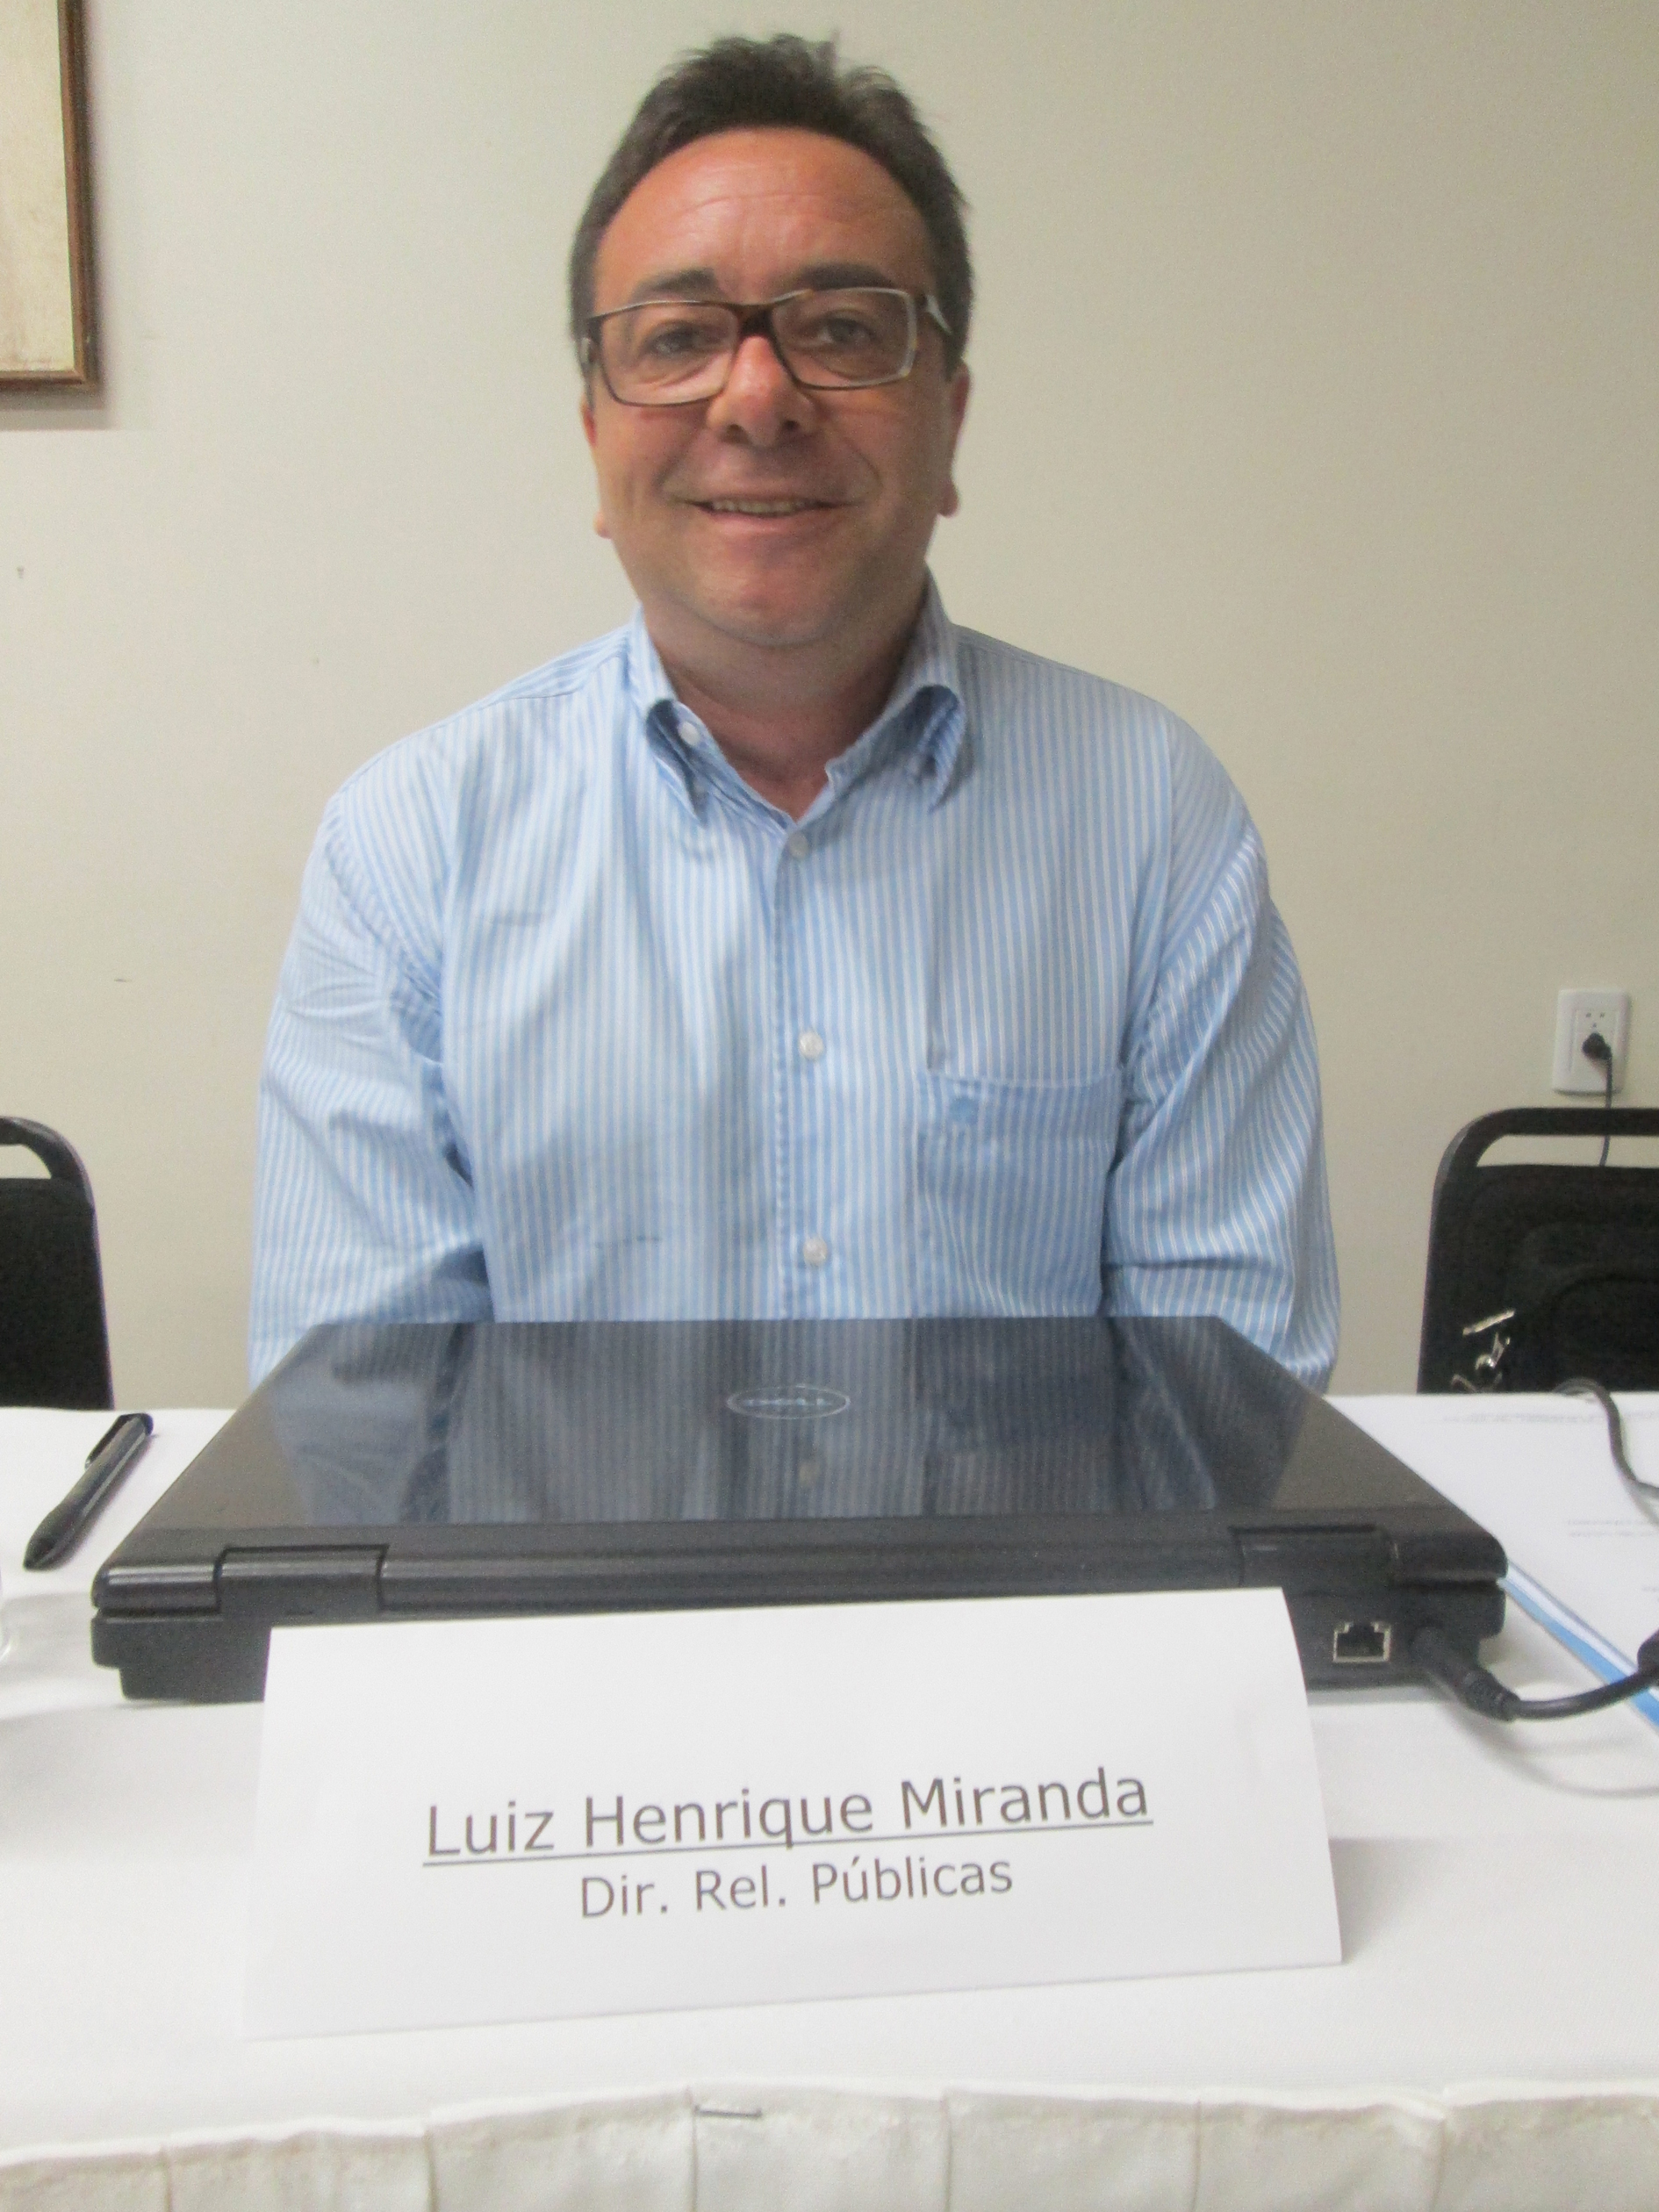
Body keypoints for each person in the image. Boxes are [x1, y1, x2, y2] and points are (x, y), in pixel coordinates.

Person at [249, 34, 1339, 1388]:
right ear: (594, 440)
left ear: (948, 423)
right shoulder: (411, 844)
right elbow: (364, 1423)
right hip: (565, 1545)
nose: (757, 398)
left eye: (841, 330)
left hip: (1034, 1545)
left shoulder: (1148, 815)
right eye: (677, 339)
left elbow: (1222, 1403)